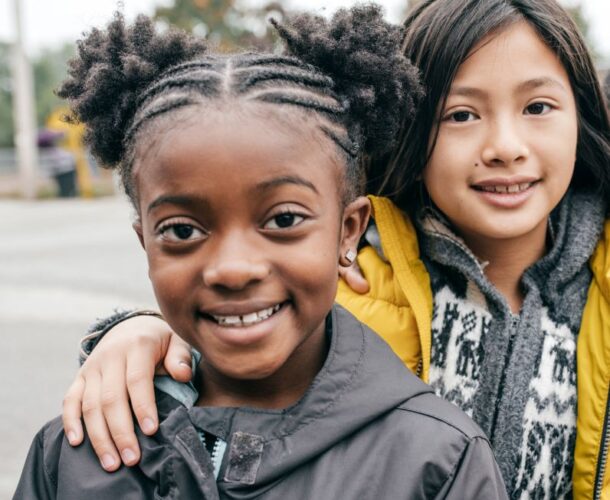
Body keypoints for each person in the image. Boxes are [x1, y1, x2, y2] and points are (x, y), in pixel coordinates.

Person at [58, 0, 610, 497]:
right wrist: (141, 334)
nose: (505, 148)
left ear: (581, 115)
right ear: (409, 129)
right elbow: (229, 329)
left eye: (537, 107)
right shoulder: (344, 276)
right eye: (461, 114)